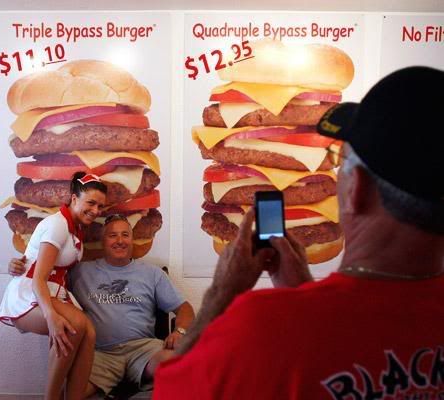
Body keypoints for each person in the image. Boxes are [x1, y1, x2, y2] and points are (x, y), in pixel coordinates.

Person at [153, 66, 444, 399]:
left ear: (356, 189)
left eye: (339, 159)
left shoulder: (263, 325)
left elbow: (171, 391)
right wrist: (303, 290)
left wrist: (221, 294)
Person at [9, 213, 195, 397]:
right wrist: (19, 266)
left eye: (125, 235)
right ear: (103, 241)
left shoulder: (153, 274)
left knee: (181, 366)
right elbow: (46, 275)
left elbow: (184, 308)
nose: (119, 241)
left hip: (144, 350)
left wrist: (180, 332)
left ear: (132, 239)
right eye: (112, 235)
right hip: (99, 354)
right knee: (72, 394)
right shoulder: (79, 271)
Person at [0, 172, 107, 400]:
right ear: (74, 199)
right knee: (74, 325)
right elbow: (38, 277)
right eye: (91, 203)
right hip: (30, 292)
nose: (96, 211)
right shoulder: (57, 225)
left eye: (100, 206)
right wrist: (51, 317)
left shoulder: (74, 228)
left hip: (53, 291)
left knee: (90, 332)